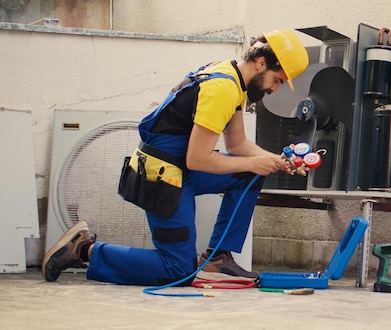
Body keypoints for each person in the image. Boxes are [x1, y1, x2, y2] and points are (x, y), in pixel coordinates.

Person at [41, 29, 309, 286]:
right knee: (177, 269)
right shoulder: (222, 88)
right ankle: (83, 249)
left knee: (248, 175)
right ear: (262, 63)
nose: (275, 89)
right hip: (163, 175)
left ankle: (217, 259)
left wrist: (273, 160)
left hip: (180, 167)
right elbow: (197, 159)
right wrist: (253, 162)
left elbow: (237, 143)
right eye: (278, 80)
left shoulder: (234, 81)